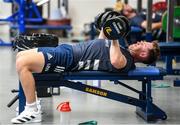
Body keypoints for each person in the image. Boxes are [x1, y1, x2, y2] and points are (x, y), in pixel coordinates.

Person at [11, 28, 160, 124]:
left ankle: (32, 109)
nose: (140, 42)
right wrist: (105, 27)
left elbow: (115, 61)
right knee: (21, 55)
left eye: (144, 44)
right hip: (67, 50)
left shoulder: (126, 60)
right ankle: (33, 102)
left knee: (23, 64)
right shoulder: (121, 49)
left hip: (69, 60)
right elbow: (101, 42)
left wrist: (114, 37)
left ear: (143, 54)